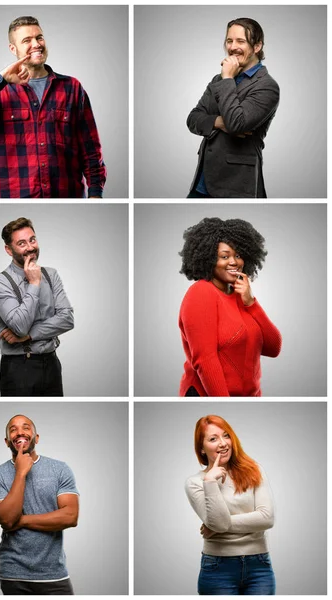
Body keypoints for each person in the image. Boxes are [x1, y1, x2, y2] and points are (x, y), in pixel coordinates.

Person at [0, 16, 106, 198]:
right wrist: (1, 78)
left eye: (39, 37)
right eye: (27, 40)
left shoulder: (71, 88)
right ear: (13, 49)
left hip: (67, 196)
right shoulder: (1, 92)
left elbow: (90, 149)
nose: (36, 44)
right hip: (15, 197)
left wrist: (95, 193)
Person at [178, 217, 281, 396]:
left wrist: (251, 303)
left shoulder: (241, 296)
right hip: (209, 396)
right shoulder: (201, 293)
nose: (233, 262)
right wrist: (225, 403)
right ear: (208, 259)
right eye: (224, 256)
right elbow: (205, 360)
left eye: (238, 255)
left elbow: (273, 348)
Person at [0, 414, 79, 595]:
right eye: (13, 429)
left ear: (36, 437)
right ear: (6, 441)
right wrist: (20, 472)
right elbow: (6, 519)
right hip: (13, 574)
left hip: (54, 573)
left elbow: (70, 516)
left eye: (26, 427)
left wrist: (21, 521)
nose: (20, 432)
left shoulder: (60, 469)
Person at [187, 18, 279, 198]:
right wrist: (218, 122)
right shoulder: (217, 79)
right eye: (229, 41)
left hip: (236, 184)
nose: (232, 47)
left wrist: (228, 78)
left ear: (257, 46)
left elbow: (237, 124)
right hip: (202, 181)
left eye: (241, 41)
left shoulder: (267, 86)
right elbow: (192, 118)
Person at [185, 415, 275, 595]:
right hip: (217, 569)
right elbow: (219, 524)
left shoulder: (254, 470)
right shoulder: (195, 482)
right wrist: (210, 481)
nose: (223, 443)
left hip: (260, 567)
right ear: (202, 449)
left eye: (226, 436)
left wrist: (219, 526)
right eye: (213, 439)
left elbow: (266, 518)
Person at [0, 217, 74, 396]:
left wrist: (28, 336)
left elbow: (67, 319)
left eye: (32, 240)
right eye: (21, 243)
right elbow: (19, 326)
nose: (30, 247)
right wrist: (34, 283)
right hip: (19, 367)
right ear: (8, 250)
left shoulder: (51, 274)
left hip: (51, 363)